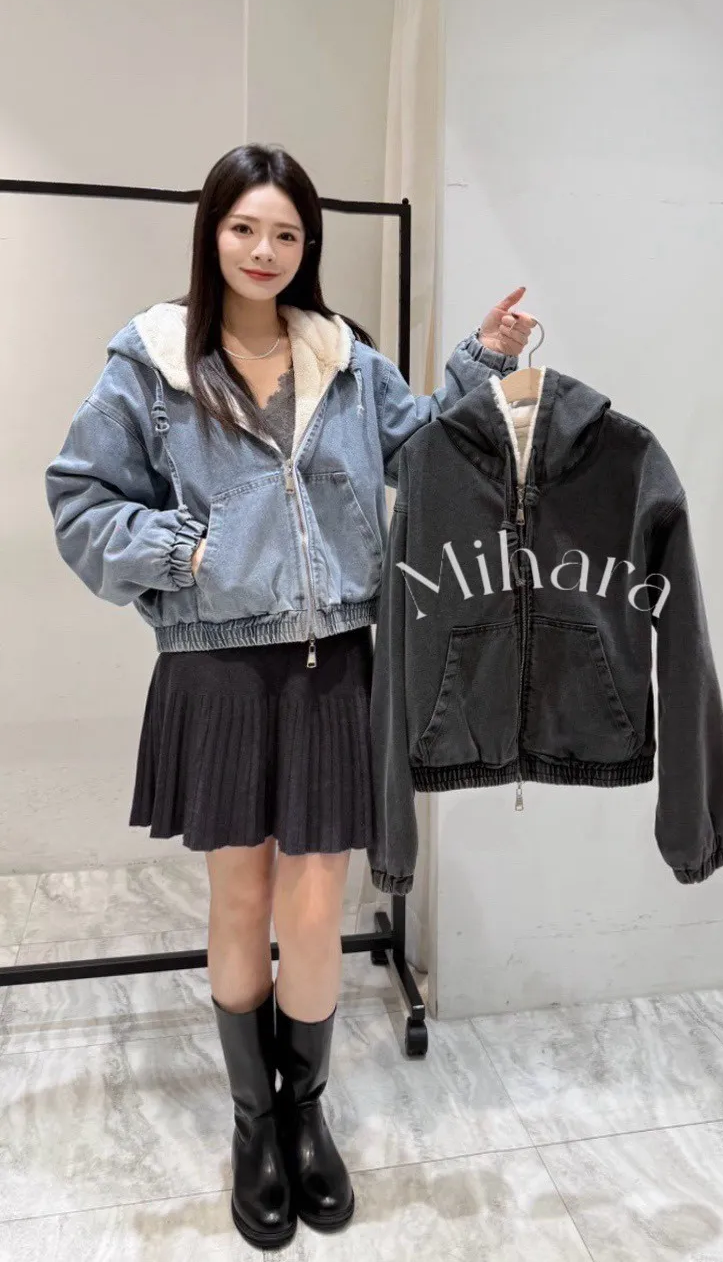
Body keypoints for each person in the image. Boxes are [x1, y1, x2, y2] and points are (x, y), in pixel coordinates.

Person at [45, 143, 536, 1251]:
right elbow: (79, 497)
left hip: (335, 664)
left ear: (306, 246)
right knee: (240, 901)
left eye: (286, 234)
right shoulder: (152, 360)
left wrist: (482, 360)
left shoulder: (341, 356)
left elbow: (424, 450)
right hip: (218, 668)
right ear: (211, 231)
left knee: (316, 907)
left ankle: (307, 1112)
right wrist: (182, 548)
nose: (264, 251)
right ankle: (253, 1123)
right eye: (245, 228)